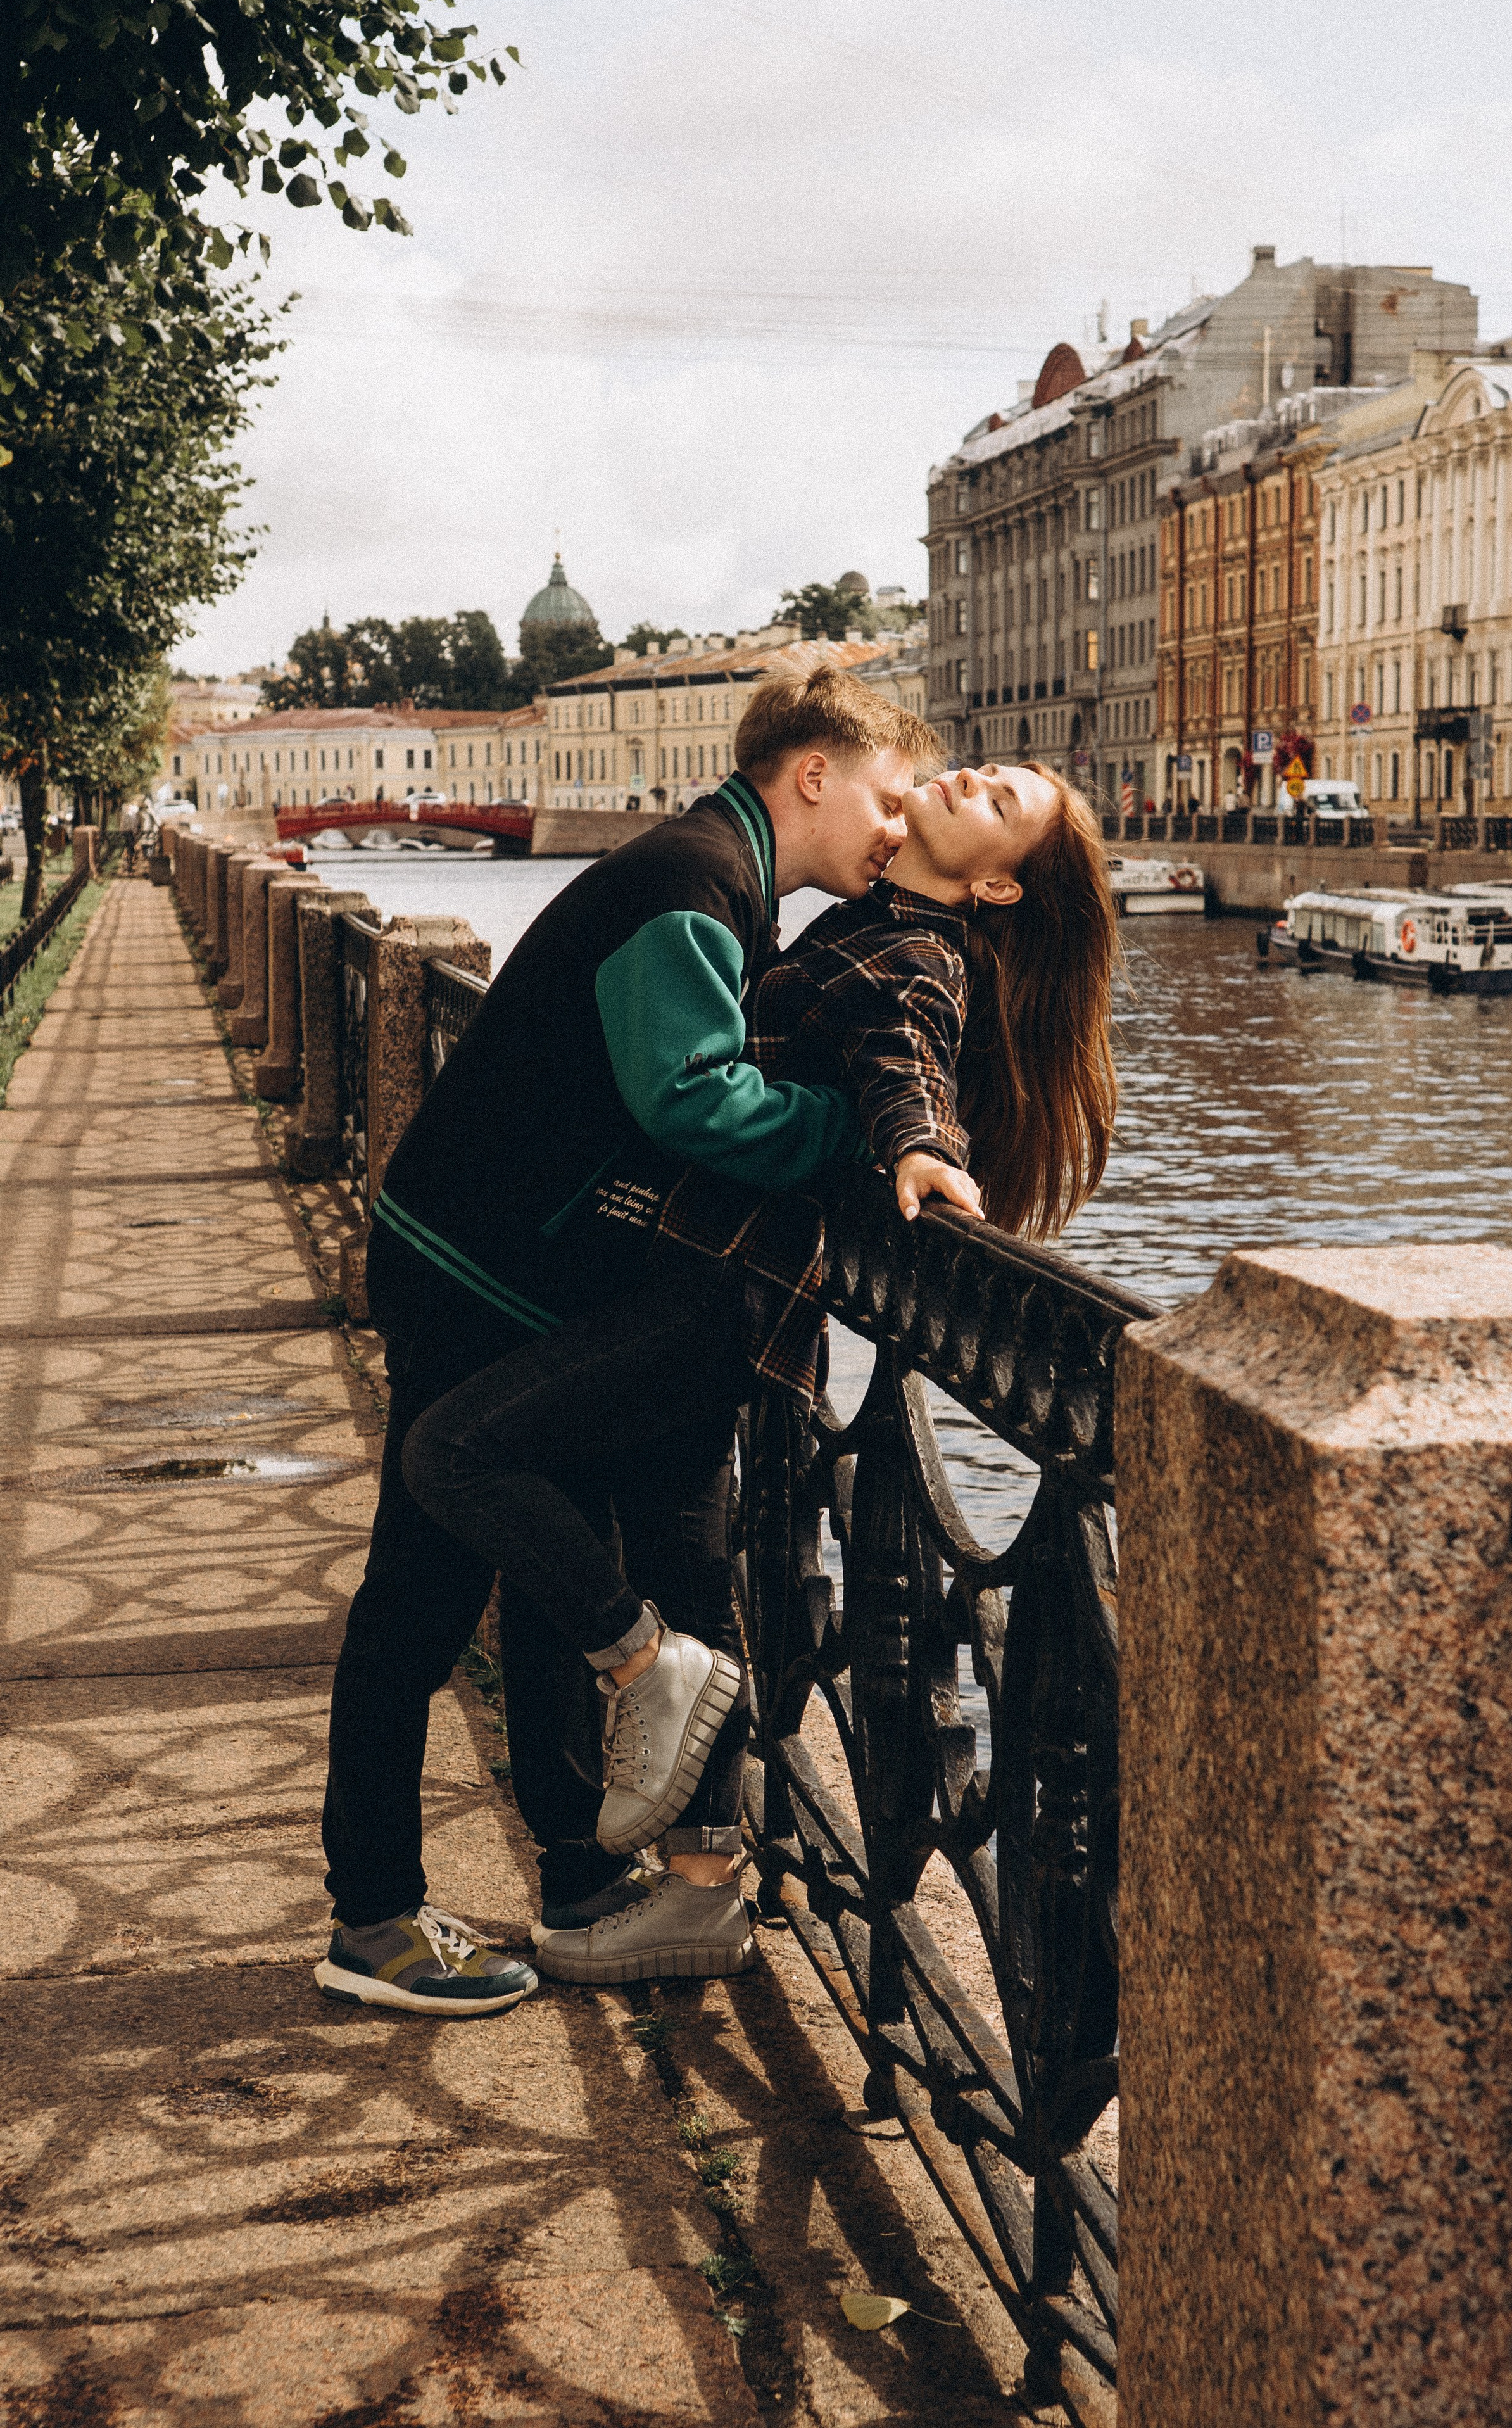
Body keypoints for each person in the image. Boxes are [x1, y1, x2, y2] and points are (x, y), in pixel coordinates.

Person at [400, 754, 1119, 1989]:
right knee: (690, 1575)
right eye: (987, 769)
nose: (972, 779)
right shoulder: (871, 914)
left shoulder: (916, 953)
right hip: (693, 1284)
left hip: (715, 1299)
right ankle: (698, 1889)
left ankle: (643, 1669)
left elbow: (905, 1060)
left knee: (455, 1453)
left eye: (1002, 803)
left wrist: (918, 1148)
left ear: (998, 889)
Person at [313, 666, 950, 2018]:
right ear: (814, 777)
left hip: (510, 1267)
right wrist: (853, 1142)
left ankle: (574, 1875)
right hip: (469, 1267)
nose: (896, 828)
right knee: (417, 1600)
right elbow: (692, 1098)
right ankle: (369, 1919)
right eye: (888, 799)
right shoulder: (690, 880)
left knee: (527, 1570)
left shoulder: (715, 874)